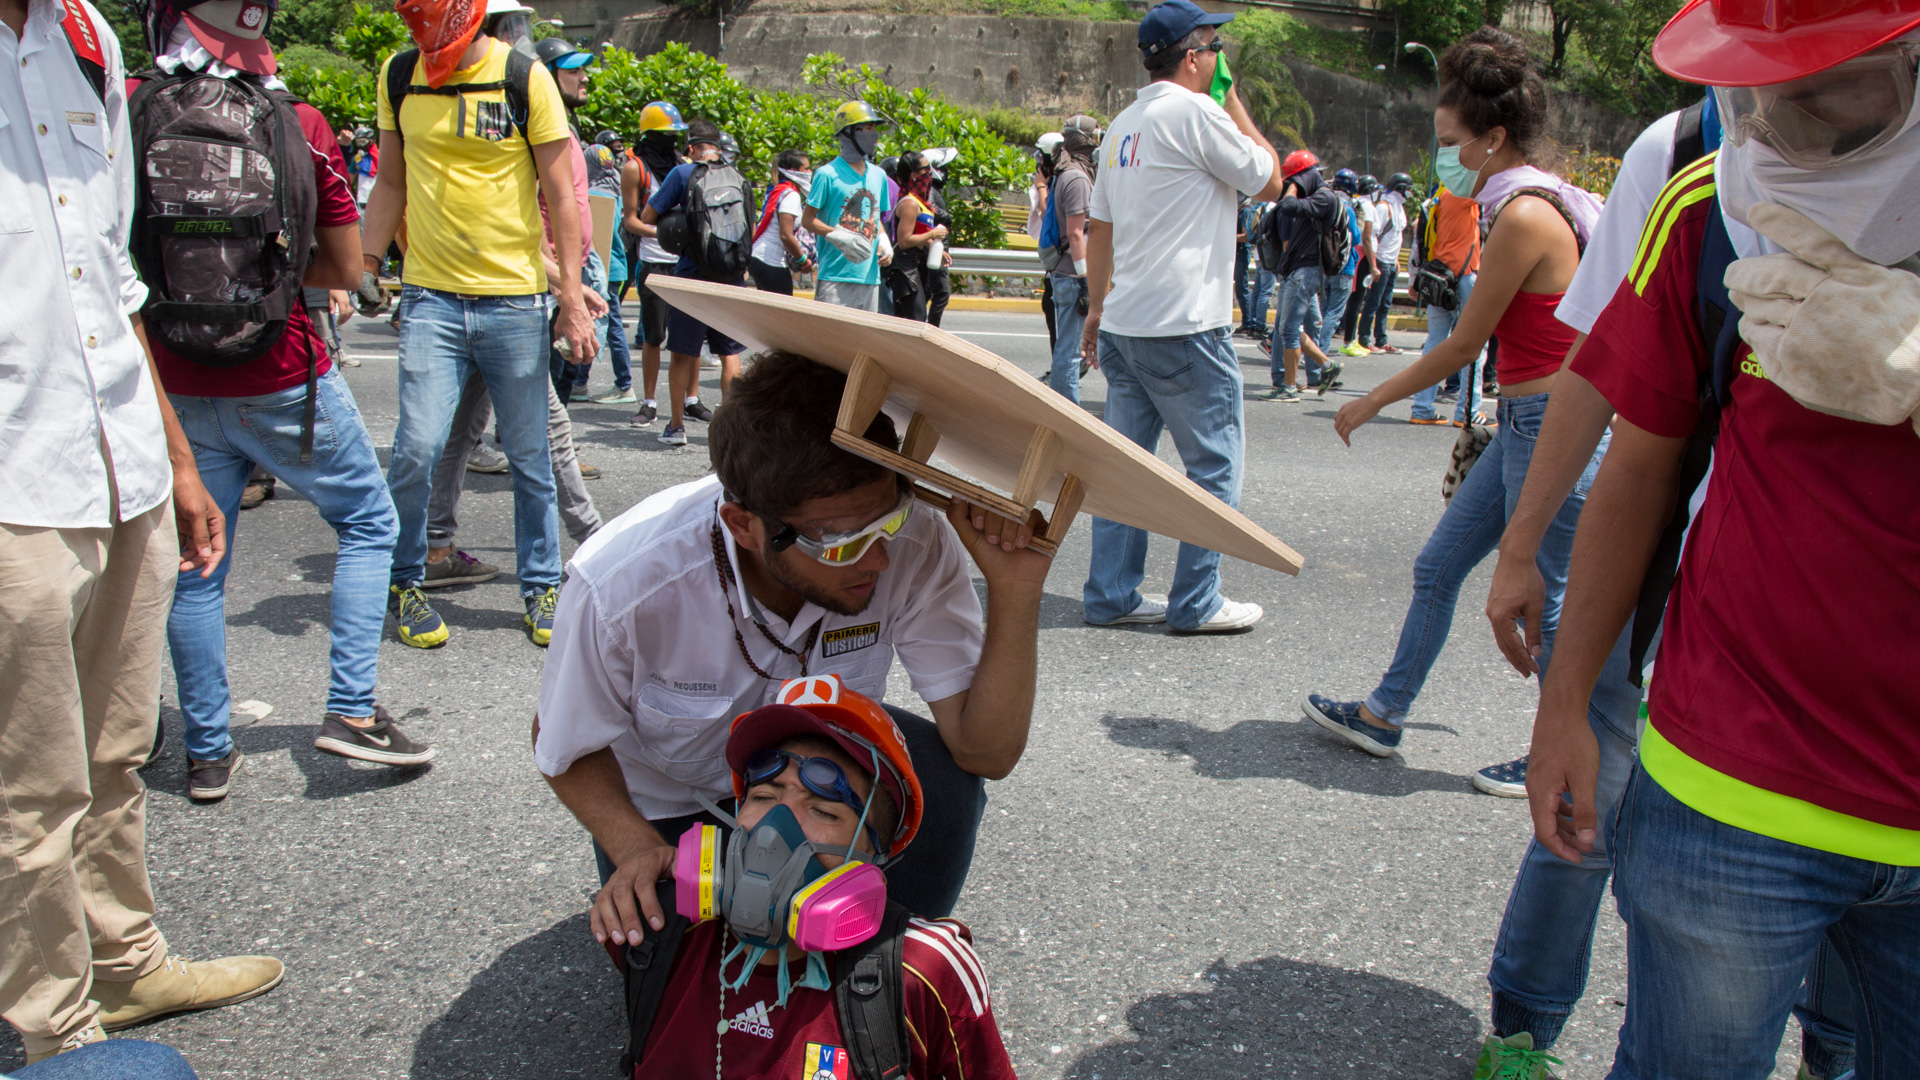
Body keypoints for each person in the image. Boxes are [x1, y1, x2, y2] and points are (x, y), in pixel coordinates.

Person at [1528, 0, 1920, 1074]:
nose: (1774, 128)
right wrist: (1567, 707)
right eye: (1758, 89)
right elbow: (1639, 466)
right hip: (1733, 787)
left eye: (1829, 88)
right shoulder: (1711, 203)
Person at [1479, 90, 1860, 1080]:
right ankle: (1524, 1030)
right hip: (1695, 640)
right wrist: (1523, 554)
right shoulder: (1697, 167)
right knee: (1584, 811)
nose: (1790, 108)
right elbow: (1606, 380)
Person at [1301, 26, 1633, 1074]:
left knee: (1571, 613)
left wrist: (1370, 399)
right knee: (1444, 567)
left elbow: (1461, 343)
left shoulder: (1525, 212)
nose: (1438, 154)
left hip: (1559, 437)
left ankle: (1552, 755)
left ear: (1489, 139)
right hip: (1529, 428)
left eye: (1448, 138)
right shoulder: (1550, 192)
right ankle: (1387, 711)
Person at [534, 349, 1055, 933]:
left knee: (941, 779)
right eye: (839, 540)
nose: (879, 557)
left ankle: (889, 955)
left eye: (886, 523)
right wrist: (632, 846)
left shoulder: (915, 541)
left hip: (828, 795)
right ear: (744, 526)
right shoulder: (622, 583)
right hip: (678, 809)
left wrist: (1015, 591)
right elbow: (561, 740)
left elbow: (985, 753)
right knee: (685, 975)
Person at [0, 0, 282, 1059]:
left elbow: (111, 280)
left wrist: (171, 461)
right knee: (29, 784)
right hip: (12, 480)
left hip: (114, 455)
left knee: (117, 751)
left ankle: (124, 969)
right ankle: (55, 1030)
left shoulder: (83, 33)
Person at [142, 0, 437, 801]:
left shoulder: (130, 109)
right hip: (281, 371)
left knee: (200, 559)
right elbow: (343, 269)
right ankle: (350, 712)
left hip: (170, 379)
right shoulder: (295, 121)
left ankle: (207, 749)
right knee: (370, 523)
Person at [622, 677, 1017, 1078]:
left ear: (873, 856)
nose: (774, 830)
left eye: (824, 811)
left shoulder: (924, 972)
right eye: (763, 797)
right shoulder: (662, 926)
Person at [359, 0, 596, 650]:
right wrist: (366, 261)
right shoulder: (400, 75)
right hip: (432, 300)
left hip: (514, 304)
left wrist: (571, 296)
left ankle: (541, 585)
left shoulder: (523, 78)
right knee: (415, 449)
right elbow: (389, 182)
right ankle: (406, 579)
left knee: (530, 458)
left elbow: (560, 196)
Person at [1079, 0, 1281, 634]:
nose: (1222, 59)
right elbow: (1270, 179)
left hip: (1125, 323)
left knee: (1123, 473)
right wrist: (1232, 97)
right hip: (1188, 325)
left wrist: (1095, 306)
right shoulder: (1199, 112)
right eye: (1216, 49)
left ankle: (1111, 596)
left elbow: (1101, 227)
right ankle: (1197, 601)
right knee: (1213, 467)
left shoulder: (1122, 125)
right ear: (1193, 57)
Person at [638, 117, 746, 447]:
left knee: (682, 352)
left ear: (690, 147)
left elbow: (647, 217)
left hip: (693, 275)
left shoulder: (683, 173)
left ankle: (675, 427)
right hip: (731, 276)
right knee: (730, 354)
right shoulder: (739, 177)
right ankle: (730, 432)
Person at [1261, 148, 1342, 402]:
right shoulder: (1315, 197)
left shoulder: (1324, 198)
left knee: (1290, 328)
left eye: (1295, 179)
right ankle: (1326, 364)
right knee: (1287, 328)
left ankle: (1289, 387)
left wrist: (1295, 183)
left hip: (1306, 271)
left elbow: (1287, 205)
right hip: (1296, 270)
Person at [624, 100, 685, 428]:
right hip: (654, 263)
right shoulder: (636, 168)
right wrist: (663, 234)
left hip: (683, 264)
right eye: (665, 135)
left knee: (684, 337)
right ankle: (648, 402)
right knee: (653, 336)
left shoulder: (682, 165)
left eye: (675, 135)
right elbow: (631, 220)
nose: (671, 141)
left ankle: (689, 399)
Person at [802, 100, 893, 312]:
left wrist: (884, 240)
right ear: (848, 133)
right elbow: (808, 219)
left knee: (864, 344)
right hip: (835, 276)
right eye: (867, 128)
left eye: (874, 128)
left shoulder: (879, 175)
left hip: (870, 277)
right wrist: (838, 236)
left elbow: (875, 217)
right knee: (831, 343)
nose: (874, 135)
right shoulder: (827, 174)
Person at [1407, 183, 1486, 425]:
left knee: (1435, 342)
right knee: (1474, 345)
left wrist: (1413, 277)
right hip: (1462, 277)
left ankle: (1422, 408)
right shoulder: (1462, 194)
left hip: (1438, 277)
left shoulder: (1438, 197)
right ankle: (1467, 412)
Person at [1043, 115, 1099, 402]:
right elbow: (1076, 233)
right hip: (1073, 276)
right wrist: (1086, 279)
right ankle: (1066, 415)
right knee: (1070, 352)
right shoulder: (1077, 178)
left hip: (1065, 273)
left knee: (1068, 349)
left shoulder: (1066, 172)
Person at [585, 131, 637, 403]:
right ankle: (580, 382)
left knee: (607, 324)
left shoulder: (590, 193)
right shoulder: (616, 187)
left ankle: (624, 384)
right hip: (616, 266)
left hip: (600, 269)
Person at [886, 151, 949, 322]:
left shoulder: (919, 202)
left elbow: (917, 232)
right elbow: (904, 240)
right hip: (905, 269)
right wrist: (933, 234)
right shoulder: (910, 204)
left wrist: (933, 246)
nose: (930, 173)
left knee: (907, 321)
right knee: (916, 320)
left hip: (914, 265)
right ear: (913, 175)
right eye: (926, 169)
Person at [747, 149, 815, 296]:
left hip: (760, 258)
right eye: (806, 169)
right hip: (770, 261)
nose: (810, 172)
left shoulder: (778, 189)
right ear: (793, 171)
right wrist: (804, 261)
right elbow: (785, 234)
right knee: (781, 313)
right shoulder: (791, 195)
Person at [1356, 172, 1411, 354]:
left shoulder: (1398, 207)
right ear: (1401, 189)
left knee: (1385, 303)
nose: (1410, 193)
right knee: (1373, 302)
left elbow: (1395, 235)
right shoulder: (1384, 206)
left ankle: (1381, 340)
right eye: (1408, 189)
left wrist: (1395, 259)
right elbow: (1372, 236)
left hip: (1391, 261)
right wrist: (1374, 264)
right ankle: (1364, 339)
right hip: (1380, 260)